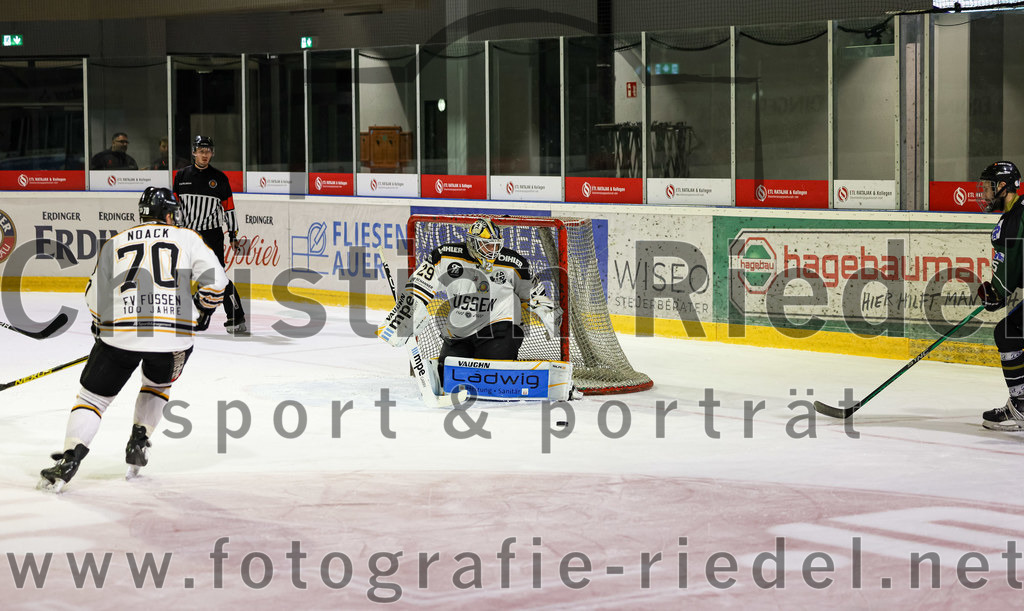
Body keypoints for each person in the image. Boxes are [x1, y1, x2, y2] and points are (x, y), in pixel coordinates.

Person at [39, 187, 228, 492]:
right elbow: (217, 283)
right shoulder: (188, 237)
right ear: (169, 215)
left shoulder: (115, 243)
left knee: (92, 399)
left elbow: (93, 299)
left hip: (120, 333)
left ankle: (70, 458)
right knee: (157, 385)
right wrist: (202, 311)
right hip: (175, 335)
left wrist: (103, 327)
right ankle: (139, 439)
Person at [378, 217, 559, 385]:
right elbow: (419, 286)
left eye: (495, 246)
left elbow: (536, 295)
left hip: (499, 328)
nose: (492, 251)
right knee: (447, 378)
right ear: (472, 242)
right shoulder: (445, 256)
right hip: (460, 331)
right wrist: (404, 315)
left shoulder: (514, 263)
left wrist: (550, 318)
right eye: (486, 246)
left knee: (492, 378)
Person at [173, 135, 247, 335]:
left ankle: (237, 317)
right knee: (179, 274)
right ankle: (179, 316)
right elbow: (175, 206)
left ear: (212, 153)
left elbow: (229, 209)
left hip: (212, 236)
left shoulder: (220, 178)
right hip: (188, 235)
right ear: (194, 152)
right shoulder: (181, 176)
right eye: (201, 151)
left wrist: (232, 235)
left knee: (217, 277)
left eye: (208, 151)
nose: (205, 155)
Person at [976, 160, 1024, 432]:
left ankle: (1021, 406)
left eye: (988, 187)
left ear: (1002, 186)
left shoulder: (1013, 219)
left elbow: (1012, 260)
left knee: (1007, 333)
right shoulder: (1021, 210)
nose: (984, 193)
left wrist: (996, 293)